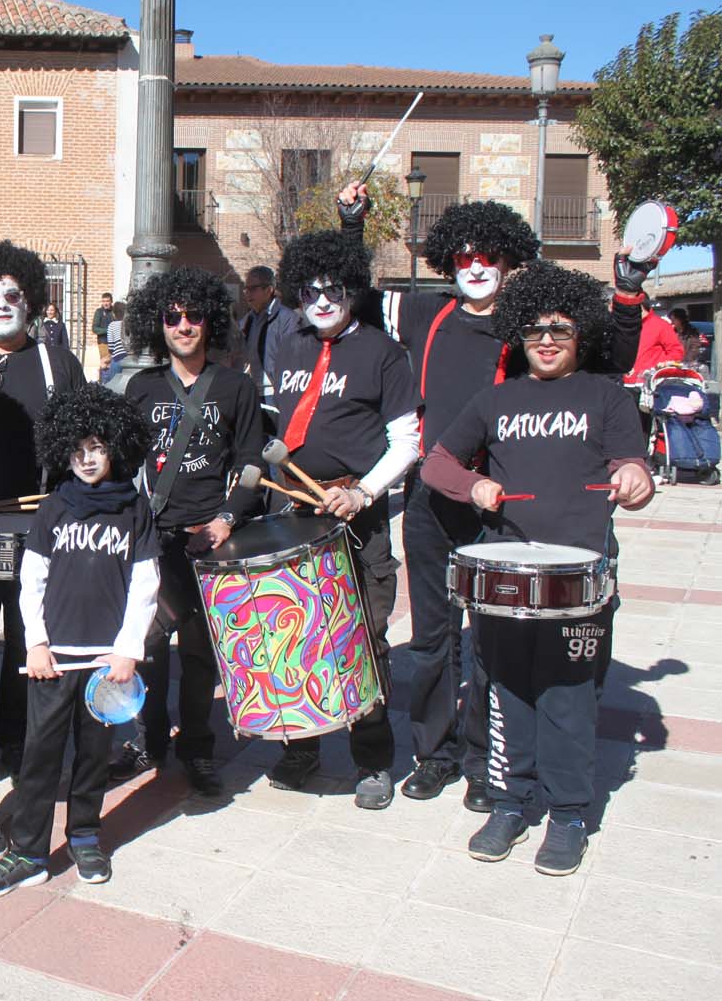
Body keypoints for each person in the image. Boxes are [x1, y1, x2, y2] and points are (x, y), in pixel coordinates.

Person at [341, 185, 645, 810]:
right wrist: (352, 224)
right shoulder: (427, 315)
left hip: (504, 505)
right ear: (448, 263)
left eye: (489, 255)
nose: (476, 266)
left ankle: (485, 762)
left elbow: (613, 354)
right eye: (463, 256)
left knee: (490, 642)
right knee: (432, 639)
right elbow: (359, 298)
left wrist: (628, 292)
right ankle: (435, 754)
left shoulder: (530, 324)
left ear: (508, 260)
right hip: (433, 496)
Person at [422, 261, 653, 874]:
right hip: (506, 576)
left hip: (580, 577)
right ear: (518, 334)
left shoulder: (606, 396)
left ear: (582, 334)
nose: (546, 341)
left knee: (569, 698)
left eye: (560, 329)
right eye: (534, 330)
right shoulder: (496, 399)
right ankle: (509, 803)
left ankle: (569, 814)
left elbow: (633, 466)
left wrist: (635, 477)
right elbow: (436, 463)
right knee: (506, 694)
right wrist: (472, 485)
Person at [0, 384, 158, 896]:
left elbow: (145, 584)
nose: (87, 459)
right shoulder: (54, 507)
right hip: (52, 658)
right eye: (77, 450)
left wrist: (128, 649)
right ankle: (29, 852)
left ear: (115, 447)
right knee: (40, 756)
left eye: (97, 448)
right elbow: (31, 580)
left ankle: (85, 836)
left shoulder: (135, 510)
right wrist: (34, 643)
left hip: (105, 664)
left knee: (94, 754)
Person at [266, 229, 420, 810]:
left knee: (363, 639)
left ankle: (372, 760)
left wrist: (364, 492)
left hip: (358, 518)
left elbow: (407, 443)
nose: (323, 301)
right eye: (310, 291)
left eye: (333, 290)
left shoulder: (383, 353)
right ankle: (301, 748)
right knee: (295, 634)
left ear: (352, 290)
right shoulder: (289, 346)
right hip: (296, 513)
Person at [115, 267, 264, 793]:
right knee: (149, 644)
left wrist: (225, 520)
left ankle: (198, 747)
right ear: (157, 324)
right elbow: (119, 462)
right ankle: (149, 741)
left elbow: (252, 466)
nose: (183, 325)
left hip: (211, 541)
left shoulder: (236, 387)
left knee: (201, 654)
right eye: (172, 316)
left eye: (193, 315)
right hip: (155, 540)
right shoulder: (141, 387)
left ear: (210, 321)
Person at [0, 242, 87, 774]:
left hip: (39, 530)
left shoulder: (60, 364)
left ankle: (17, 742)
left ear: (30, 301)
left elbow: (83, 447)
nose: (2, 304)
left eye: (13, 294)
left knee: (29, 639)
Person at [238, 266, 290, 423]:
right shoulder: (247, 321)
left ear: (269, 289)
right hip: (252, 392)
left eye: (253, 289)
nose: (248, 293)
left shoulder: (287, 319)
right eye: (246, 289)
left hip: (276, 394)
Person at [92, 291, 115, 376]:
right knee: (105, 364)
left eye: (107, 301)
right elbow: (94, 329)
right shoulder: (99, 312)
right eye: (104, 301)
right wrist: (108, 330)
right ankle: (103, 381)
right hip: (103, 342)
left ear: (111, 301)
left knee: (114, 364)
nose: (105, 303)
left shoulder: (114, 311)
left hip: (115, 342)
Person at [105, 303, 129, 383]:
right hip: (129, 357)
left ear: (114, 314)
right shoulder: (128, 324)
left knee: (112, 382)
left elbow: (111, 348)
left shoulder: (112, 325)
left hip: (118, 357)